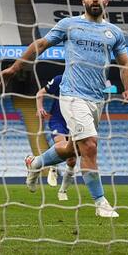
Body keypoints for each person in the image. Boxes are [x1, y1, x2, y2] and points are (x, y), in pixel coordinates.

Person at [0, 0, 128, 218]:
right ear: (84, 2)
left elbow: (125, 64)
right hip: (71, 95)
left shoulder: (114, 33)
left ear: (106, 1)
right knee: (89, 145)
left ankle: (36, 163)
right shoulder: (69, 24)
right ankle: (101, 203)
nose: (95, 0)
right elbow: (40, 44)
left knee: (73, 149)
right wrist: (15, 67)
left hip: (96, 98)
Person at [35, 73, 76, 201]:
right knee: (61, 144)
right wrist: (40, 107)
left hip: (75, 122)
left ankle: (62, 191)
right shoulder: (60, 79)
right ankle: (53, 166)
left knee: (72, 161)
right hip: (58, 120)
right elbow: (40, 93)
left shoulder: (85, 81)